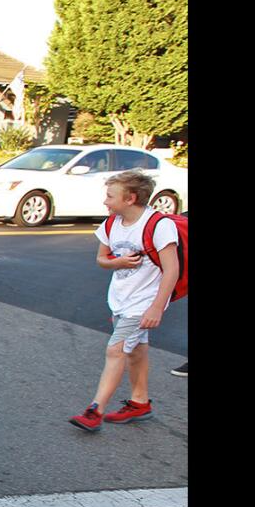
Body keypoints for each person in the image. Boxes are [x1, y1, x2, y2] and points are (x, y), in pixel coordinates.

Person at [69, 170, 180, 431]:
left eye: (110, 196)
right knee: (137, 350)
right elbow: (101, 259)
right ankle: (140, 402)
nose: (105, 201)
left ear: (130, 198)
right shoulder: (111, 223)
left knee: (116, 350)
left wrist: (156, 307)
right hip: (120, 299)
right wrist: (116, 262)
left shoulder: (159, 225)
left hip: (144, 303)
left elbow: (172, 269)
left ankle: (95, 410)